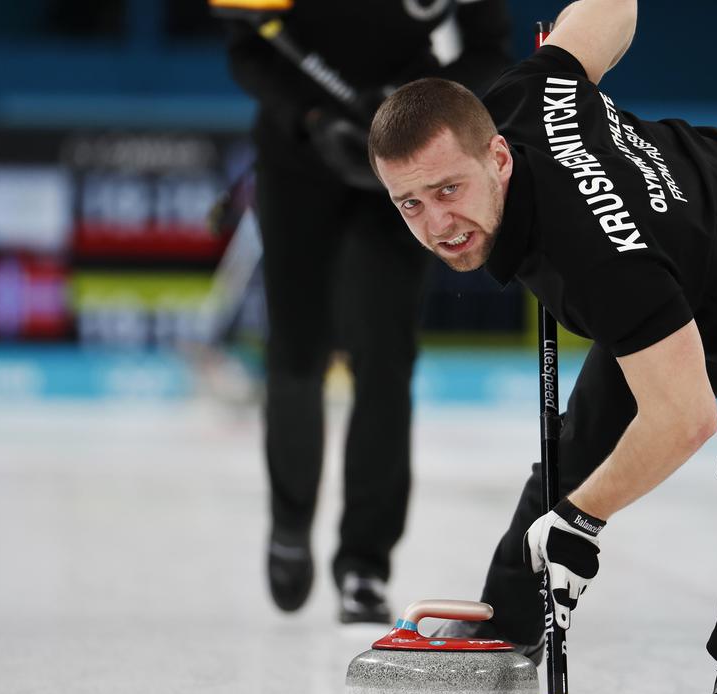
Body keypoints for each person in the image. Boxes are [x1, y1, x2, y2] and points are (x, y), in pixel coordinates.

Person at [367, 0, 717, 694]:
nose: (437, 225)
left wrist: (583, 524)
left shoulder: (597, 257)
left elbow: (685, 419)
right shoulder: (534, 87)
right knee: (577, 444)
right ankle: (505, 628)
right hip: (698, 280)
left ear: (498, 158)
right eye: (411, 204)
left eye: (449, 191)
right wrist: (562, 42)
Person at [215, 0, 512, 623]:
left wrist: (413, 106)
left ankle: (364, 567)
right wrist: (311, 117)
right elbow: (246, 48)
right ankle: (290, 525)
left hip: (407, 164)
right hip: (299, 160)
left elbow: (489, 50)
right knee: (296, 349)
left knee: (385, 360)